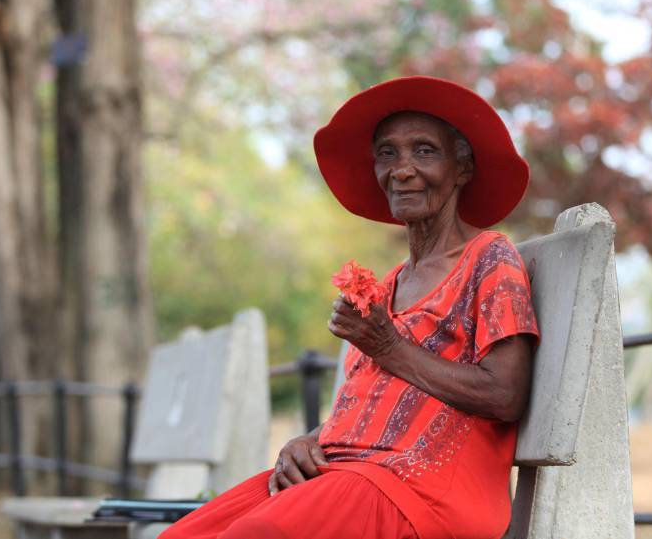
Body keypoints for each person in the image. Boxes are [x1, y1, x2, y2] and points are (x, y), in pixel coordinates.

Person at [158, 76, 539, 539]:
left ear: (462, 168)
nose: (400, 169)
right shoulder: (389, 284)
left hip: (425, 492)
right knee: (181, 535)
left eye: (424, 151)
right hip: (350, 473)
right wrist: (311, 440)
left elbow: (505, 395)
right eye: (387, 153)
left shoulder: (489, 257)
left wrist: (387, 345)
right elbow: (377, 401)